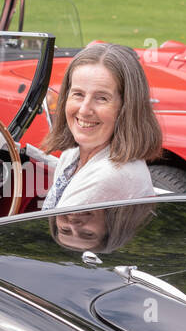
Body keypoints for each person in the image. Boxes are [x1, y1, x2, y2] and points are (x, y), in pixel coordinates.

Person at [40, 42, 162, 210]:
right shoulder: (72, 156)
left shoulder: (109, 176)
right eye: (78, 94)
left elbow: (55, 235)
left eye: (101, 98)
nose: (84, 110)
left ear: (127, 108)